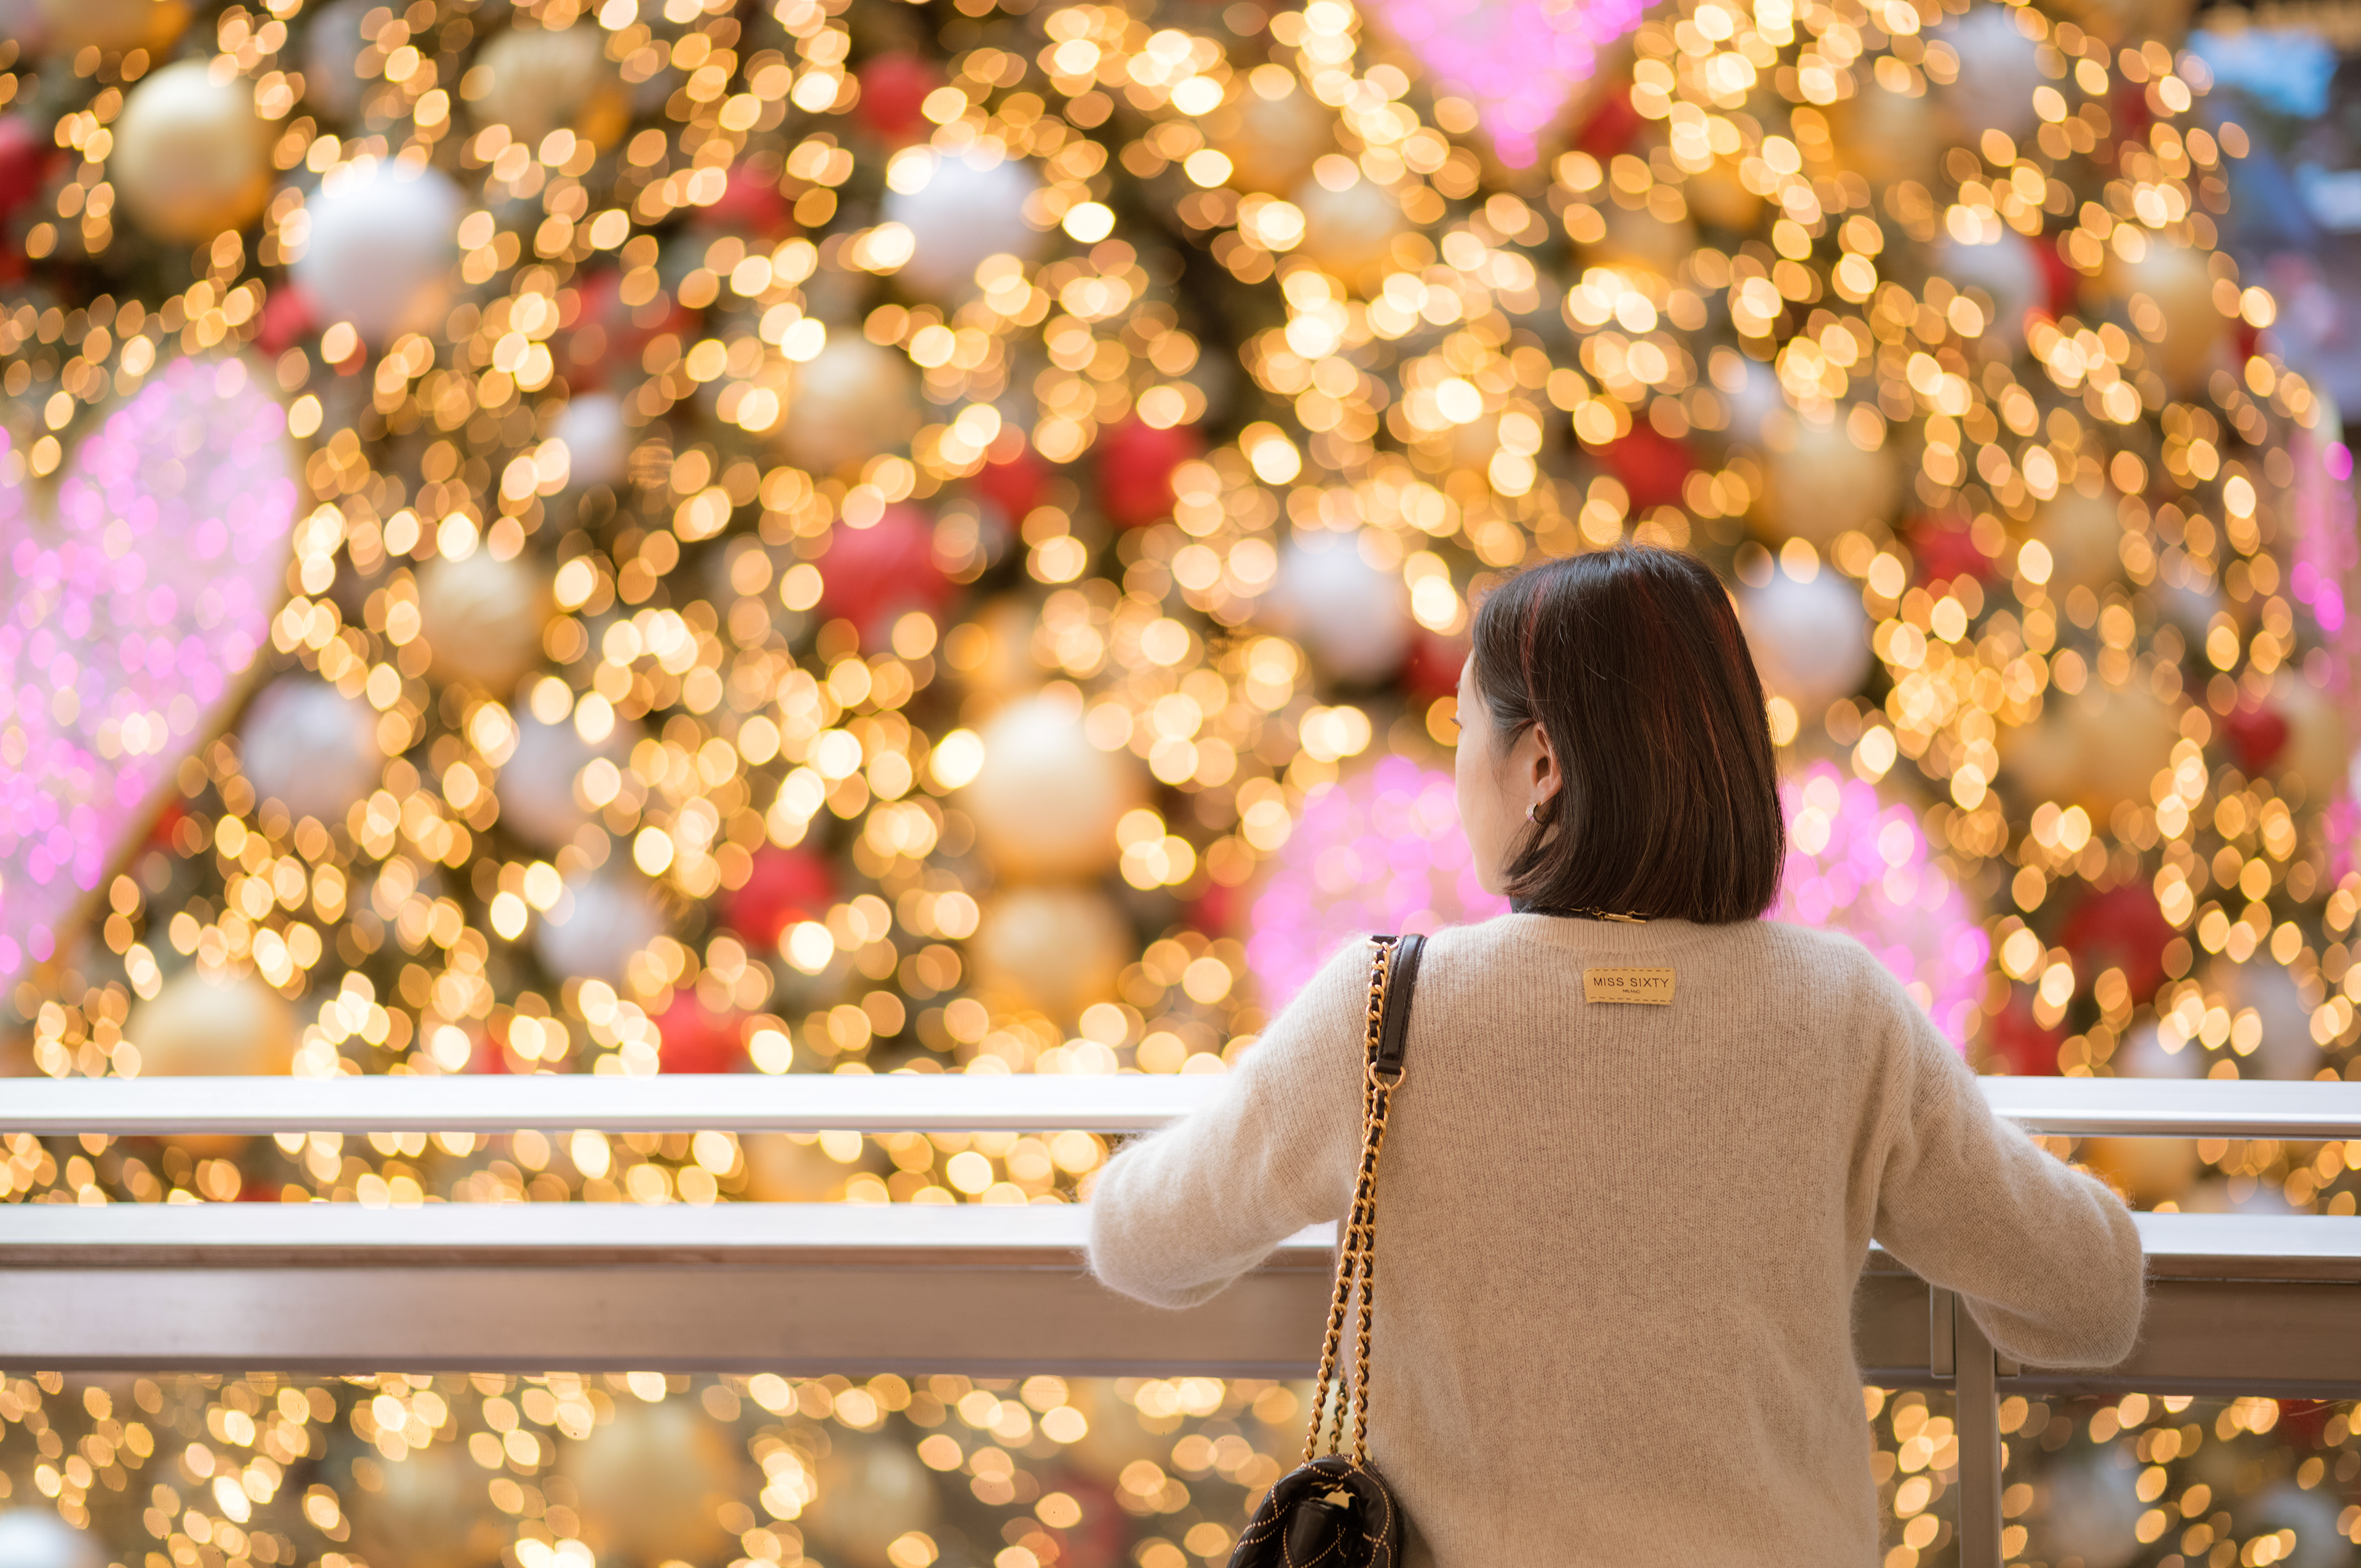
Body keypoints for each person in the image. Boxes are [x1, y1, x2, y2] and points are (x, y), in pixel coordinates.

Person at [1085, 547, 2145, 1564]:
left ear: (1539, 762)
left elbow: (1145, 1241)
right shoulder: (1845, 1011)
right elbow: (2087, 1296)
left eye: (1465, 729)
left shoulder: (1382, 1012)